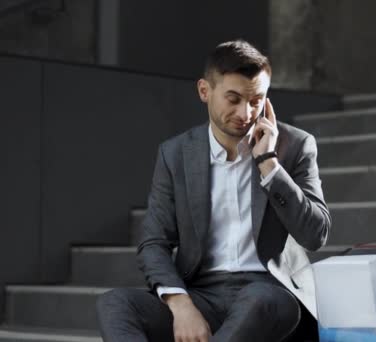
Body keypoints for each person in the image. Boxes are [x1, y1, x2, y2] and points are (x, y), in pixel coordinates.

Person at [97, 39, 331, 342]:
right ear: (204, 91)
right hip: (200, 294)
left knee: (262, 298)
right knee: (114, 303)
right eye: (233, 99)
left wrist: (269, 165)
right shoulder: (176, 154)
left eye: (256, 100)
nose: (245, 113)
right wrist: (181, 305)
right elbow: (154, 242)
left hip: (269, 292)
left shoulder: (295, 145)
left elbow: (316, 235)